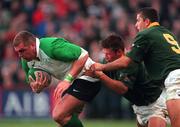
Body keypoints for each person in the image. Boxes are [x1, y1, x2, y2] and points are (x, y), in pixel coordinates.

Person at [92, 7, 180, 127]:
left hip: (173, 81)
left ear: (147, 21)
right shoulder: (167, 33)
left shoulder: (145, 34)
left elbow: (127, 62)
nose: (136, 24)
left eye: (138, 20)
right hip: (158, 91)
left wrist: (102, 67)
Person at [13, 31, 101, 127]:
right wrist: (36, 88)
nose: (20, 55)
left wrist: (67, 80)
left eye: (22, 50)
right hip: (74, 82)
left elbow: (83, 55)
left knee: (59, 115)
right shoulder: (26, 61)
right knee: (63, 122)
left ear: (32, 46)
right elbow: (32, 84)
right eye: (17, 52)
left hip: (88, 76)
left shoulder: (51, 46)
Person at [86, 34, 168, 127]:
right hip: (138, 107)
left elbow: (122, 88)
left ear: (119, 52)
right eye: (104, 54)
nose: (106, 57)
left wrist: (100, 75)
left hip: (154, 106)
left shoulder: (130, 63)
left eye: (108, 54)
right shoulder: (108, 62)